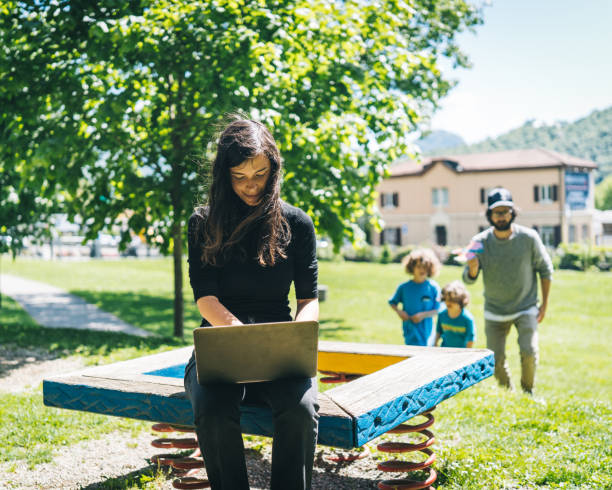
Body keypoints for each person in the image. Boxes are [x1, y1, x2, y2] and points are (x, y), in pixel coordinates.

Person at [183, 117, 320, 490]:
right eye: (240, 176)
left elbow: (308, 298)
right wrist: (240, 336)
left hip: (280, 347)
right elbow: (205, 298)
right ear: (223, 174)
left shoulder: (297, 223)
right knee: (212, 409)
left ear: (273, 169)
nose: (251, 185)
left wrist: (299, 334)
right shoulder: (202, 223)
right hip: (222, 345)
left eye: (260, 174)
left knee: (300, 410)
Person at [462, 187, 553, 394]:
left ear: (513, 213)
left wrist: (544, 305)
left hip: (526, 307)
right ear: (489, 215)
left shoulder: (529, 238)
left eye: (505, 211)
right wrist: (473, 270)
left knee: (529, 352)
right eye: (497, 212)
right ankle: (508, 393)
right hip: (495, 310)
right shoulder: (479, 242)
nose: (501, 216)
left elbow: (546, 270)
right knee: (495, 359)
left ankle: (528, 392)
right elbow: (468, 279)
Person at [389, 248, 441, 346]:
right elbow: (392, 302)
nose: (422, 270)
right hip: (410, 331)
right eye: (419, 266)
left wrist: (422, 315)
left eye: (425, 267)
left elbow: (438, 309)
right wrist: (399, 312)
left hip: (427, 332)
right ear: (412, 267)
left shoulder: (433, 288)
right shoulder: (404, 287)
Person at [434, 280, 475, 348]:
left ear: (461, 301)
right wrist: (435, 344)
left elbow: (471, 339)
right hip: (444, 351)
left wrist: (467, 353)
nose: (449, 302)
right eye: (446, 299)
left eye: (453, 300)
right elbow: (438, 332)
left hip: (461, 353)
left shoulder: (467, 319)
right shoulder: (442, 315)